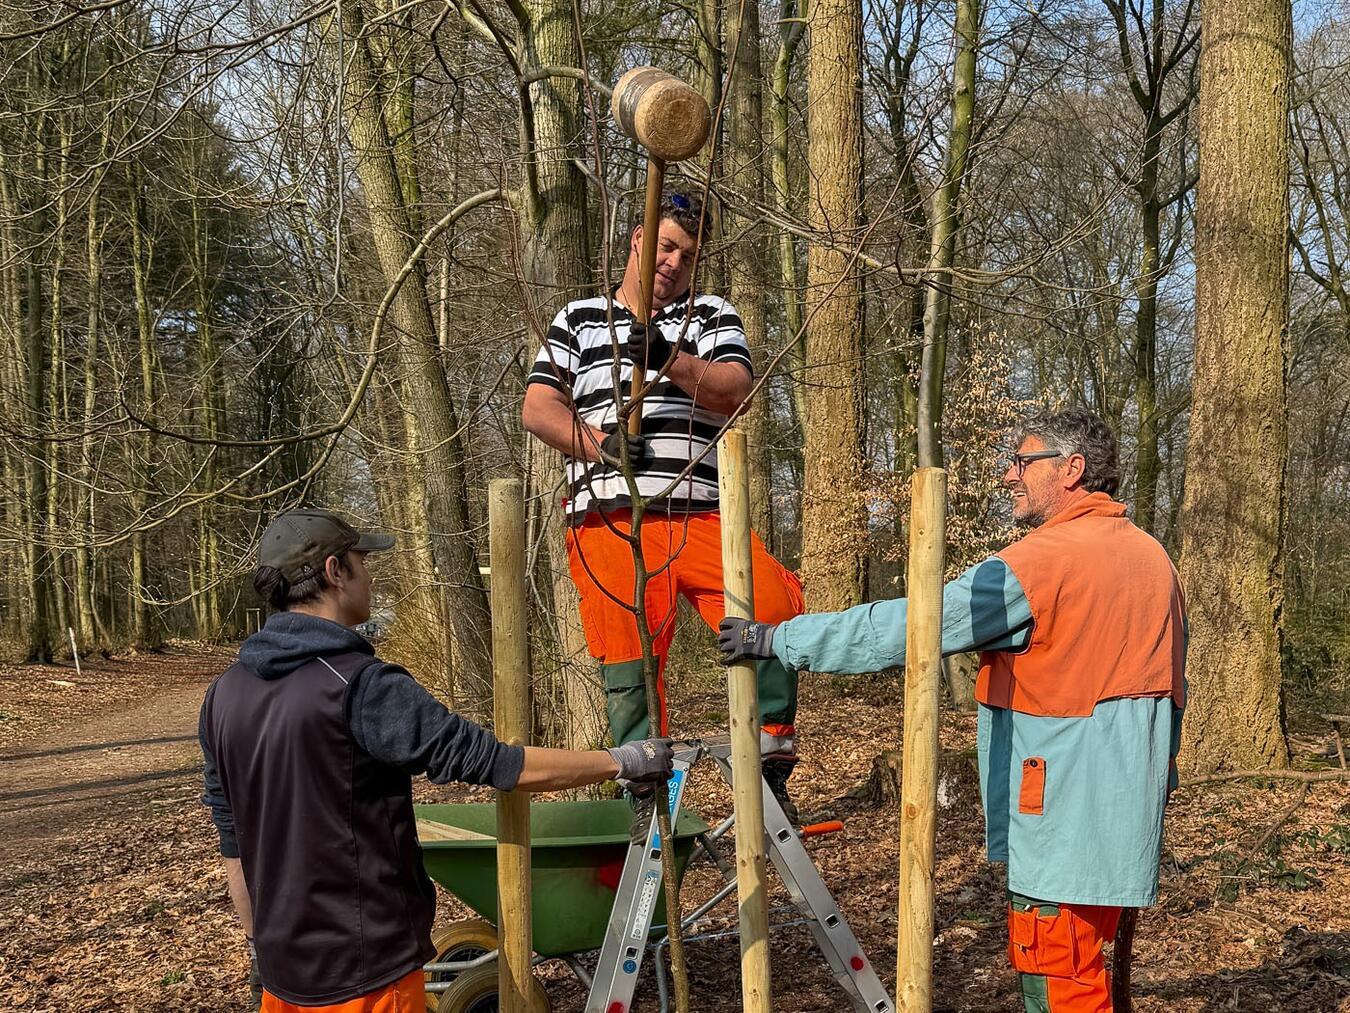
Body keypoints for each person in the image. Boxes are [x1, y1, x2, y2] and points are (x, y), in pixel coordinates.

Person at [718, 409, 1186, 1013]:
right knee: (1087, 972)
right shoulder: (1153, 558)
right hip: (1125, 816)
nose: (1009, 475)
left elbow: (913, 623)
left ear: (1071, 469)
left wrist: (780, 639)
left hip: (1061, 817)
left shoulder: (1040, 562)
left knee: (1059, 976)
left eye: (1023, 462)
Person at [200, 508, 673, 1012]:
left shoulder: (224, 694)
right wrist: (622, 760)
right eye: (363, 563)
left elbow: (233, 839)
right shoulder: (360, 685)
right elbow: (499, 764)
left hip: (282, 977)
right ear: (335, 571)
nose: (370, 577)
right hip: (366, 975)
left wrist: (258, 946)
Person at [521, 188, 806, 820]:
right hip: (610, 518)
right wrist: (598, 446)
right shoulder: (579, 319)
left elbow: (735, 389)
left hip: (702, 514)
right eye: (666, 246)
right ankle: (645, 789)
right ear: (639, 240)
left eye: (688, 254)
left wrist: (668, 359)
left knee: (771, 606)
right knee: (630, 651)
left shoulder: (709, 316)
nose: (674, 262)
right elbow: (538, 408)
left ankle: (769, 760)